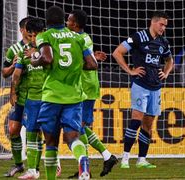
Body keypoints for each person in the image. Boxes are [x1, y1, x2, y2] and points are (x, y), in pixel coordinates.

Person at [31, 6, 98, 180]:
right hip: (74, 97)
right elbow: (92, 64)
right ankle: (83, 160)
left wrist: (34, 60)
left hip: (52, 96)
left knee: (51, 143)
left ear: (47, 21)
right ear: (63, 21)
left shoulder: (44, 36)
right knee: (72, 138)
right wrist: (75, 67)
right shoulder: (78, 37)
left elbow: (47, 58)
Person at [112, 11, 174, 169]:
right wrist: (130, 71)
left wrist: (165, 73)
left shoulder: (163, 42)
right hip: (140, 85)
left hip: (156, 87)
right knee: (136, 120)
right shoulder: (138, 37)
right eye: (161, 24)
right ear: (153, 22)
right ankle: (125, 158)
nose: (163, 28)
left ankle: (141, 160)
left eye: (165, 25)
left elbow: (169, 60)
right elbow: (117, 53)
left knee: (148, 124)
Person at [66, 9, 118, 177]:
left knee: (77, 127)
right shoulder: (79, 38)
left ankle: (94, 161)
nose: (66, 23)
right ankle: (100, 159)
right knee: (78, 127)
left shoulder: (82, 38)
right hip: (80, 87)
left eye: (69, 20)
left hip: (86, 88)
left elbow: (87, 64)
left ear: (75, 24)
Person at [10, 18, 46, 180]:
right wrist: (13, 92)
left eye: (36, 35)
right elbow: (16, 75)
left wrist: (37, 54)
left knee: (51, 134)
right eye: (31, 36)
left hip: (50, 97)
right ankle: (33, 169)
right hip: (32, 99)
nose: (33, 39)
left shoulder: (49, 50)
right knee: (32, 132)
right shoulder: (23, 52)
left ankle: (53, 163)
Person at [2, 17, 31, 177]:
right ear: (22, 30)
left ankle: (40, 166)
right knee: (13, 130)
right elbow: (4, 73)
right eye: (28, 28)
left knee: (37, 132)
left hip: (36, 96)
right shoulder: (14, 49)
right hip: (20, 97)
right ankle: (19, 165)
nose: (31, 31)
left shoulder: (40, 47)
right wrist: (13, 66)